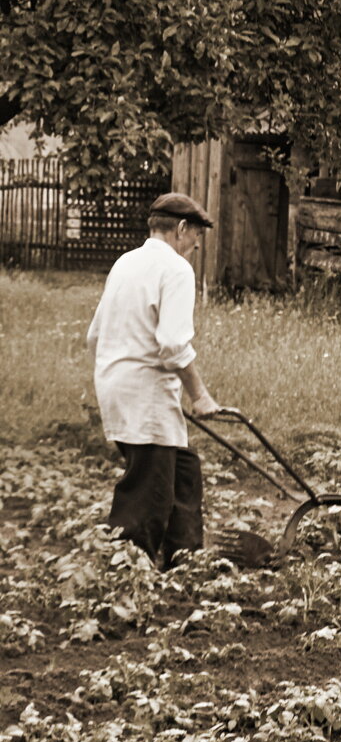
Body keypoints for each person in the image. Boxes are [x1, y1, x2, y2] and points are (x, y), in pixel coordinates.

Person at [87, 192, 222, 570]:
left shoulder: (126, 263)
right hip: (144, 394)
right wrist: (201, 396)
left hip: (116, 384)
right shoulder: (176, 269)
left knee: (183, 470)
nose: (196, 244)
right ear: (181, 229)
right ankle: (126, 568)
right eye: (196, 234)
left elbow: (94, 335)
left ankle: (185, 556)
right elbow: (173, 344)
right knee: (148, 491)